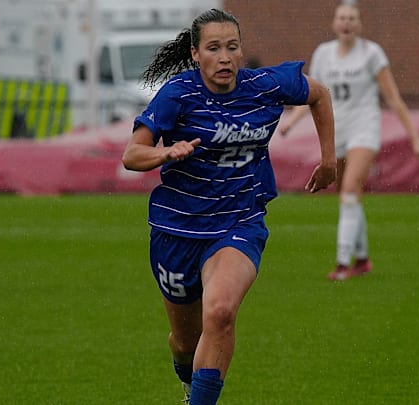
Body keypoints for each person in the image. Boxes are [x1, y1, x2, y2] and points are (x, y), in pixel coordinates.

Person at [121, 9, 336, 405]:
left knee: (219, 313)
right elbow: (132, 155)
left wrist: (328, 160)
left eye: (232, 48)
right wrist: (167, 152)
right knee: (185, 342)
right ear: (195, 54)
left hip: (239, 223)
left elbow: (319, 94)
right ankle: (190, 388)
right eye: (214, 48)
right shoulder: (178, 94)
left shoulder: (265, 85)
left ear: (241, 53)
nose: (224, 57)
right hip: (178, 230)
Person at [277, 1, 419, 281]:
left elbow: (392, 97)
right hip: (336, 130)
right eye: (342, 18)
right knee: (348, 197)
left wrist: (415, 136)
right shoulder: (323, 53)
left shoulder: (372, 54)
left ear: (359, 24)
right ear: (335, 23)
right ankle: (363, 259)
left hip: (364, 129)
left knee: (349, 189)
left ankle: (343, 263)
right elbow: (313, 93)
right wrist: (292, 123)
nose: (346, 23)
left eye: (351, 18)